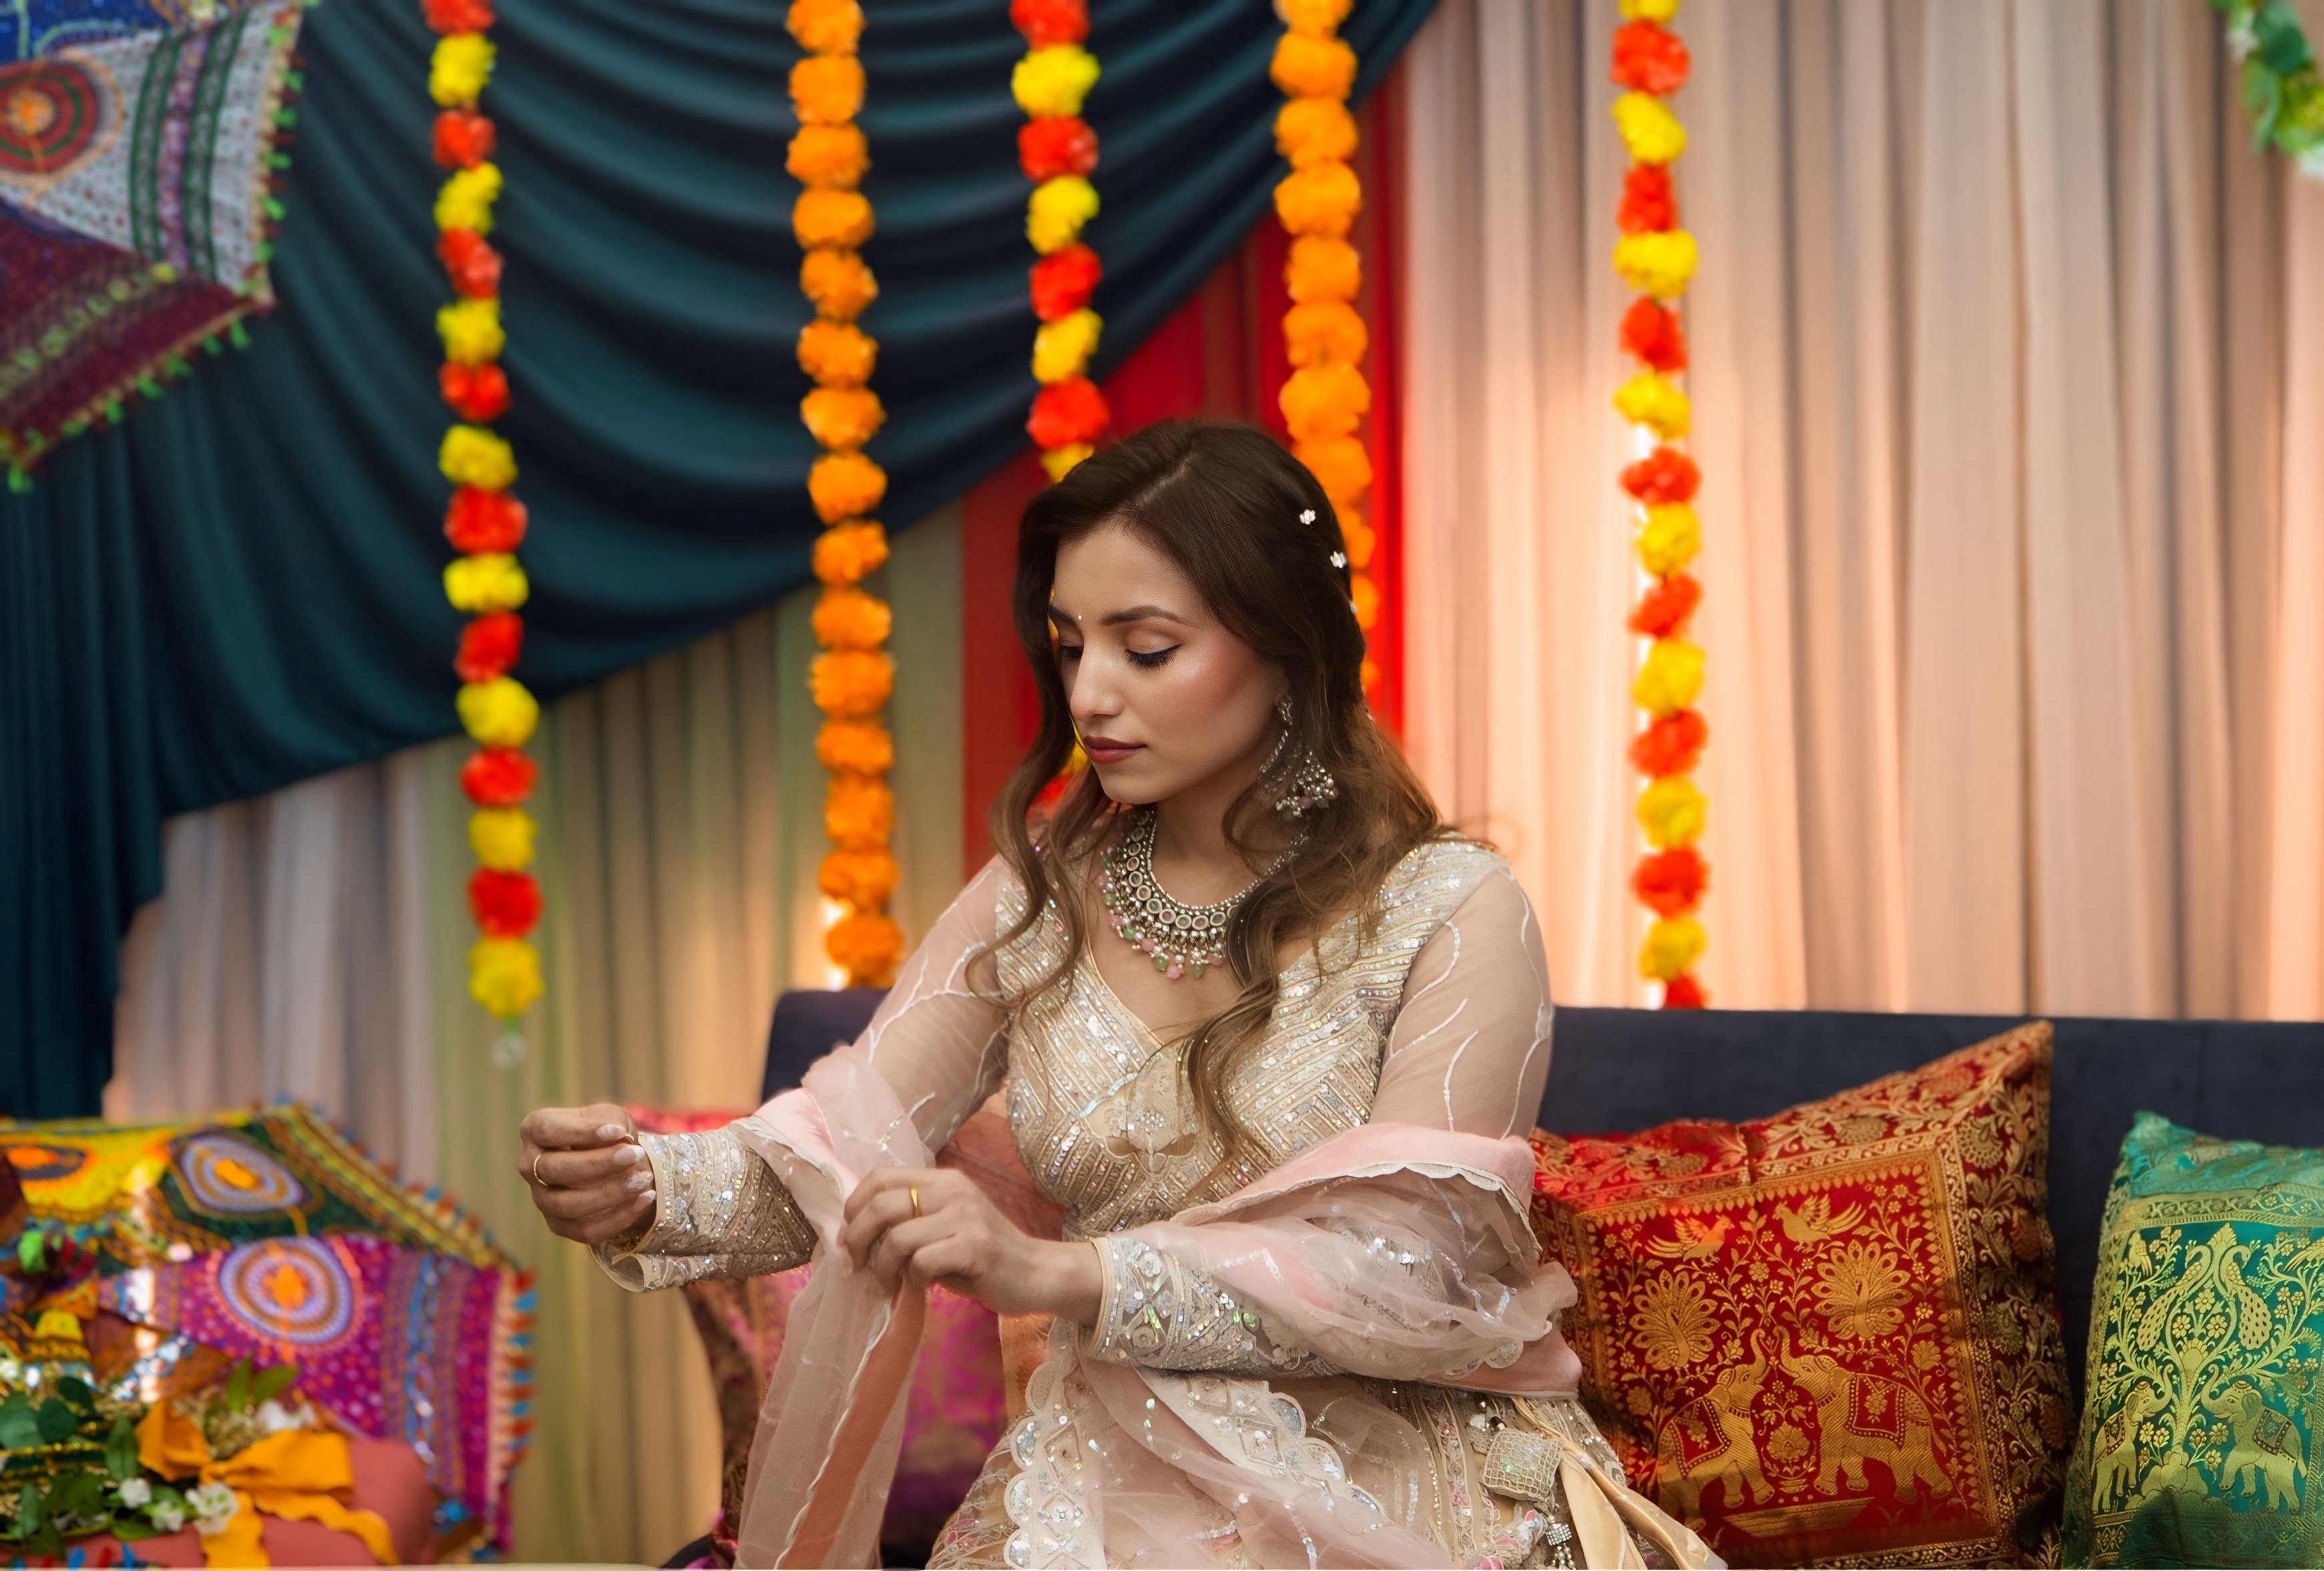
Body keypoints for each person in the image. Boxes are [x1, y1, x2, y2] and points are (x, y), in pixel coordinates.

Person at [518, 420, 1719, 1570]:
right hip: (1110, 1464)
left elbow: (1416, 1269)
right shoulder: (1037, 895)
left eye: (1145, 649)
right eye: (1070, 643)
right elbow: (844, 1149)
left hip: (1402, 1472)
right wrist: (645, 1186)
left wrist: (1071, 1277)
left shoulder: (1449, 907)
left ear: (1288, 650)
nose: (1090, 694)